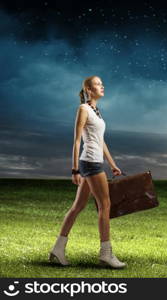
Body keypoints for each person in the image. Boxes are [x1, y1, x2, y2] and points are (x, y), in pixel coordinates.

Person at [49, 75, 126, 268]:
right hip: (90, 163)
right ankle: (106, 254)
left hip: (94, 162)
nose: (102, 86)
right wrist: (74, 170)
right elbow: (77, 141)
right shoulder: (83, 109)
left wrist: (112, 164)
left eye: (102, 83)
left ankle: (57, 249)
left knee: (78, 207)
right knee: (105, 205)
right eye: (98, 84)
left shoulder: (96, 111)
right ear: (88, 90)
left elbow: (101, 140)